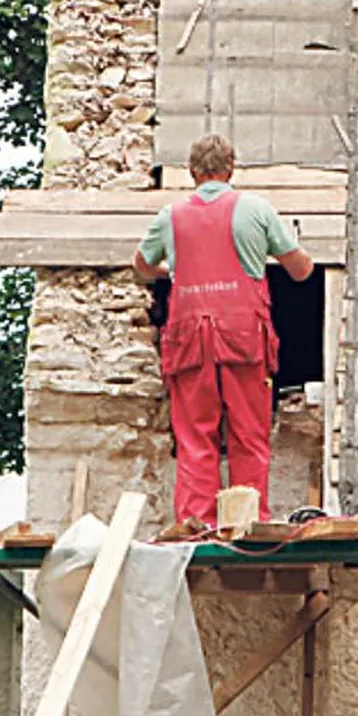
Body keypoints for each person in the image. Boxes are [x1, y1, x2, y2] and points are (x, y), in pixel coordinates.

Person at [134, 135, 314, 525]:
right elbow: (301, 271)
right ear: (231, 169)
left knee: (196, 438)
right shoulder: (256, 209)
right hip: (244, 336)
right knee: (249, 434)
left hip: (189, 340)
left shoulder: (170, 216)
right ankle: (247, 524)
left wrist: (175, 273)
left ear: (192, 172)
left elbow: (143, 267)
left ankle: (196, 525)